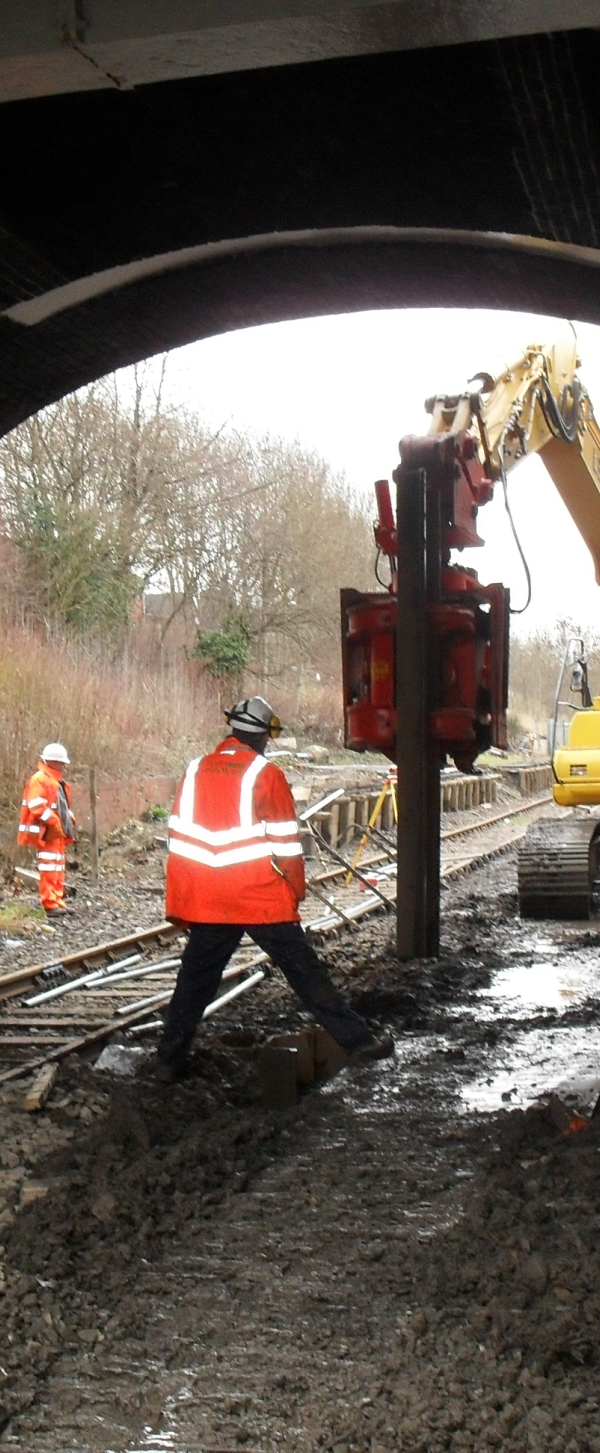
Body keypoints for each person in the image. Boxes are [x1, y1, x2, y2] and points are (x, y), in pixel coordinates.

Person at [157, 696, 393, 1081]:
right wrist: (294, 893)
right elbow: (286, 845)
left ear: (234, 730)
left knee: (194, 983)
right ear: (263, 737)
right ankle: (358, 1043)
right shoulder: (265, 774)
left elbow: (179, 836)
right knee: (304, 972)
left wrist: (188, 898)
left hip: (209, 900)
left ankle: (168, 1061)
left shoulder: (195, 769)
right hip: (259, 898)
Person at [18, 743, 76, 917]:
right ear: (52, 761)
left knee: (57, 867)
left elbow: (59, 805)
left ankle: (56, 900)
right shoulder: (40, 779)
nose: (64, 766)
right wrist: (53, 821)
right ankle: (49, 903)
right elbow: (36, 805)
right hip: (48, 832)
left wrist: (67, 820)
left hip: (56, 832)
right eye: (61, 762)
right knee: (50, 867)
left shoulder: (55, 781)